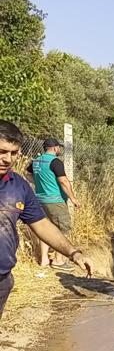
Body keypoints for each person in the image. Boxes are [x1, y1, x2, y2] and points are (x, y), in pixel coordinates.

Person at [0, 120, 93, 319]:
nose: (7, 159)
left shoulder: (19, 186)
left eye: (14, 153)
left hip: (2, 278)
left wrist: (73, 253)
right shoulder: (53, 162)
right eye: (2, 151)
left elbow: (41, 224)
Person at [26, 138, 81, 270]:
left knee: (45, 229)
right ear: (55, 148)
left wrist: (38, 184)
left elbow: (27, 174)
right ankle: (58, 260)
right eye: (59, 148)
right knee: (63, 228)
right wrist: (73, 198)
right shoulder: (55, 162)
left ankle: (44, 260)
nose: (59, 150)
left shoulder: (36, 161)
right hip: (55, 201)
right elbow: (63, 181)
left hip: (40, 199)